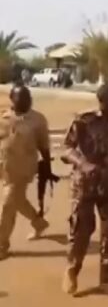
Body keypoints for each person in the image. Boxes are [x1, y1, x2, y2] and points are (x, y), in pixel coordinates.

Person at [61, 84, 108, 296]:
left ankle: (107, 279)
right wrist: (83, 163)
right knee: (81, 230)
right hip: (85, 184)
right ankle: (72, 271)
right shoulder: (84, 121)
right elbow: (66, 149)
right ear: (102, 101)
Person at [0, 85, 51, 260]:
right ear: (12, 99)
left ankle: (2, 245)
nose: (26, 101)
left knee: (8, 204)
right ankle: (39, 222)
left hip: (23, 168)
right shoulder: (4, 117)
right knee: (18, 200)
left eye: (28, 97)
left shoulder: (38, 120)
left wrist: (47, 169)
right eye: (21, 98)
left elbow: (44, 146)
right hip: (5, 166)